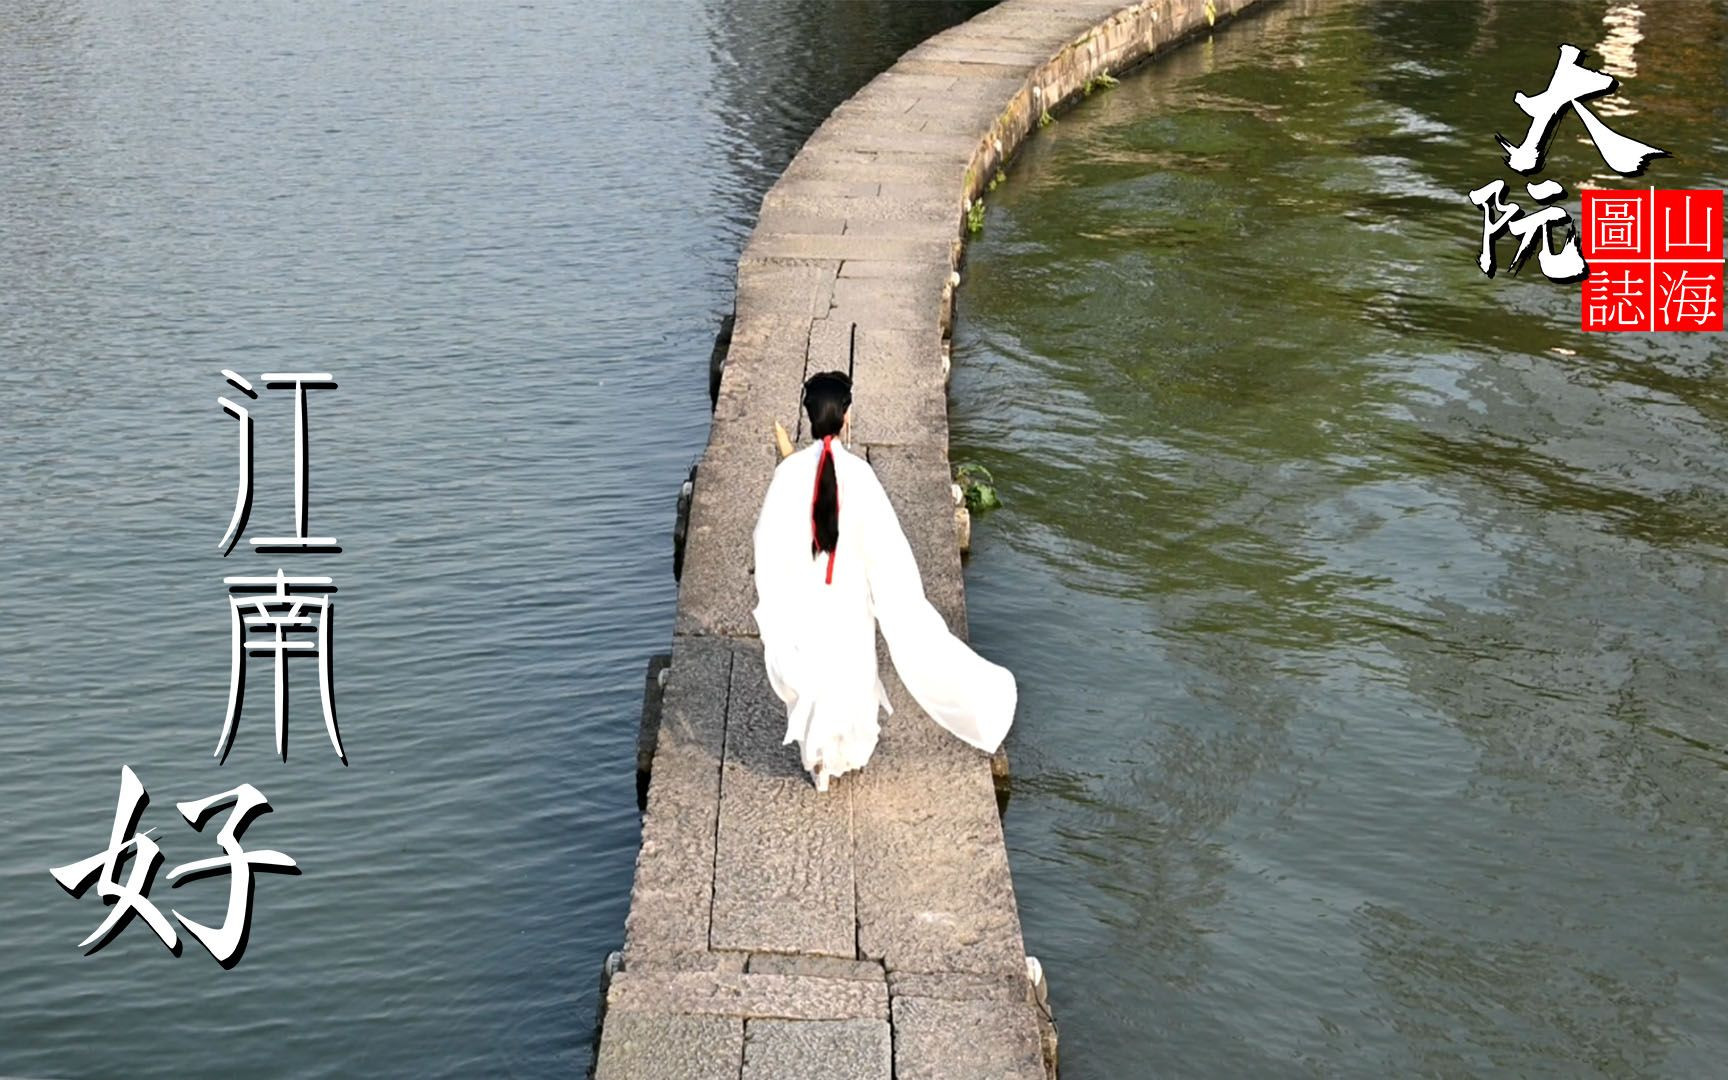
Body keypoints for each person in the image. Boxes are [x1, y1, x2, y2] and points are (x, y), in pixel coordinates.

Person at [750, 370, 1017, 792]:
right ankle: (841, 754)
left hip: (806, 593)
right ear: (847, 418)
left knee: (813, 666)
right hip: (849, 595)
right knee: (851, 668)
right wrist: (894, 596)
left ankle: (817, 758)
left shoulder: (788, 475)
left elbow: (766, 540)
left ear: (808, 417)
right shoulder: (860, 475)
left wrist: (780, 590)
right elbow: (889, 549)